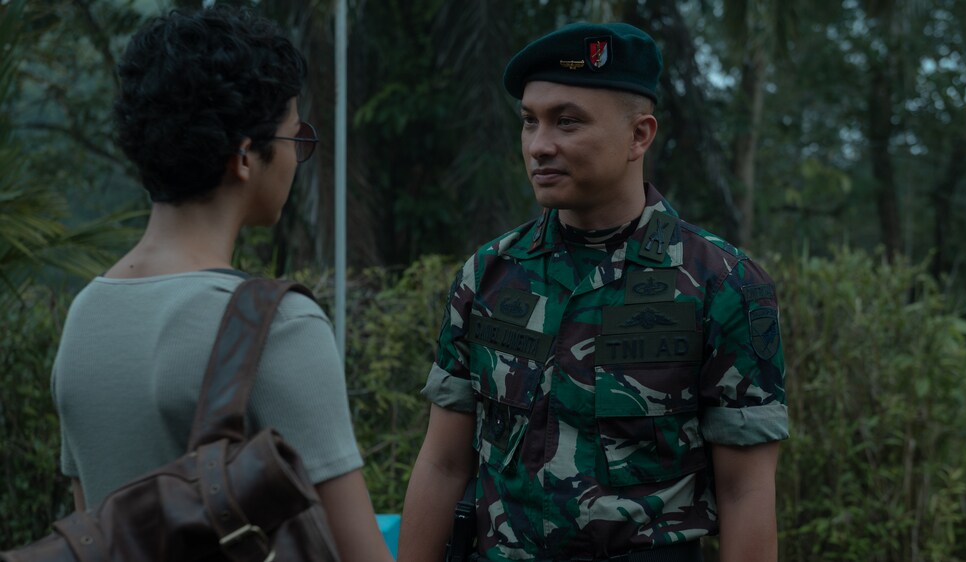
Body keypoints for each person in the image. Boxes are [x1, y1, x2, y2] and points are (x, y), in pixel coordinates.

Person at [398, 22, 788, 562]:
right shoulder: (488, 274)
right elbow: (443, 464)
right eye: (529, 121)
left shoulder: (722, 284)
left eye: (568, 122)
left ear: (639, 136)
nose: (539, 146)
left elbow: (746, 491)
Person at [50, 7, 392, 562]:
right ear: (245, 156)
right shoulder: (277, 327)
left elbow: (95, 531)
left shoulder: (86, 316)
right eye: (294, 137)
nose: (296, 158)